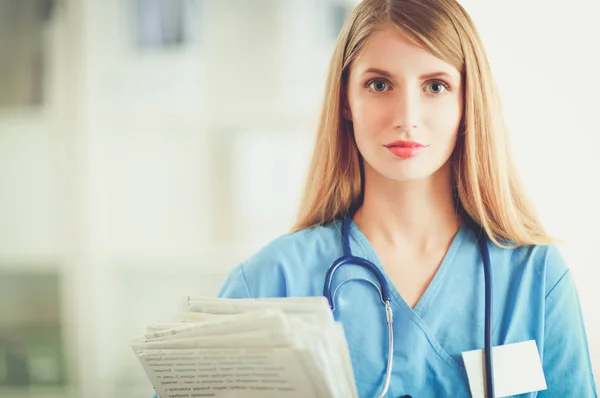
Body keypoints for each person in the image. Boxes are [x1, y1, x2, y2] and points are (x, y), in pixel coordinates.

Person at [217, 0, 598, 397]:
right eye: (379, 85)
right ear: (346, 100)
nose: (407, 116)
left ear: (467, 102)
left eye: (436, 86)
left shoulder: (534, 280)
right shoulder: (271, 281)